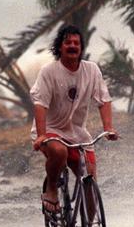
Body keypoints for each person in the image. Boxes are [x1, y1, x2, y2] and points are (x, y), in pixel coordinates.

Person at [31, 24, 118, 214]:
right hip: (51, 130)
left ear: (81, 47)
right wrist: (41, 135)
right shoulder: (49, 71)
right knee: (59, 152)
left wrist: (109, 128)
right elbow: (40, 104)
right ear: (60, 47)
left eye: (76, 43)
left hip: (78, 134)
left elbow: (103, 100)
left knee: (89, 178)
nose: (72, 46)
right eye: (68, 42)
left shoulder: (91, 70)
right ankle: (52, 189)